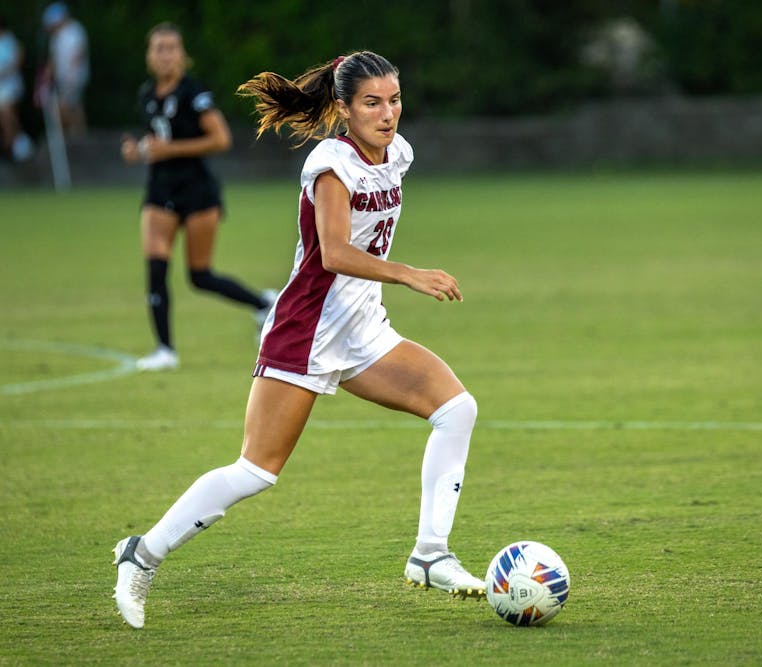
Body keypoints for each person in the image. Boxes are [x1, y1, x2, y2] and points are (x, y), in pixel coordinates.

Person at [112, 50, 484, 629]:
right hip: (306, 328)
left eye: (394, 99)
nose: (388, 113)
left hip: (362, 327)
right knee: (257, 470)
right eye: (372, 102)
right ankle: (143, 552)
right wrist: (410, 273)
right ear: (343, 108)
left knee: (457, 409)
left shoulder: (397, 153)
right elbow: (334, 252)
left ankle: (430, 555)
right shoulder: (331, 163)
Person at [121, 23, 274, 372]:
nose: (165, 54)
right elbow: (155, 141)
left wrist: (168, 149)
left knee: (199, 275)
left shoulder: (193, 92)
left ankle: (263, 303)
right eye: (158, 48)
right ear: (149, 55)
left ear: (182, 55)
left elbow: (220, 139)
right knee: (156, 267)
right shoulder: (147, 94)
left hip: (197, 190)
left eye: (171, 48)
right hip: (160, 190)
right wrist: (138, 152)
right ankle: (165, 350)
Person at [40, 2, 89, 137]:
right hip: (63, 79)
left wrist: (71, 73)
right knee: (72, 107)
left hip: (74, 78)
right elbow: (54, 59)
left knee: (67, 107)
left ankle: (78, 135)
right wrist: (48, 75)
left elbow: (79, 52)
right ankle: (75, 135)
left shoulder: (75, 30)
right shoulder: (56, 37)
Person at [0, 16, 33, 162]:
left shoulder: (10, 40)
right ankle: (12, 148)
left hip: (10, 87)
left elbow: (19, 58)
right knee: (5, 119)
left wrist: (5, 72)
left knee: (7, 116)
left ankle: (16, 148)